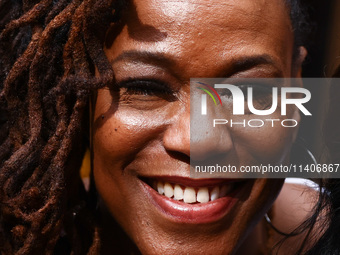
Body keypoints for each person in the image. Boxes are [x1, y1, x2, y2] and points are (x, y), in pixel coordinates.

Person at [0, 0, 324, 254]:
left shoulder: (327, 234)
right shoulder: (25, 238)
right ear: (79, 97)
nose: (200, 140)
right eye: (145, 88)